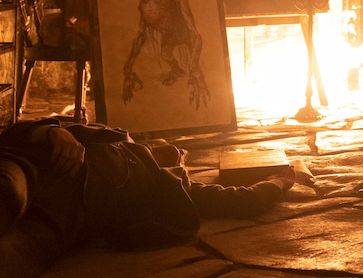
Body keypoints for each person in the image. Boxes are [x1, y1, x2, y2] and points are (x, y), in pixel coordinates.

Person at [0, 118, 295, 277]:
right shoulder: (109, 135)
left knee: (15, 259)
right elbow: (19, 128)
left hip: (64, 220)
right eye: (173, 147)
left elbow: (239, 201)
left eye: (179, 156)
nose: (178, 151)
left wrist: (278, 182)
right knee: (8, 194)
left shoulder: (170, 188)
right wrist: (55, 132)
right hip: (29, 168)